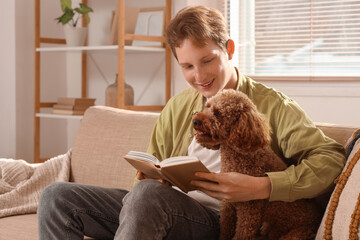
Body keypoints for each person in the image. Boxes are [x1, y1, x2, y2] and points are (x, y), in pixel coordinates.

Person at [37, 5, 346, 240]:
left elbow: (330, 159)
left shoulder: (271, 105)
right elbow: (149, 173)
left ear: (229, 50)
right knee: (57, 196)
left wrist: (262, 187)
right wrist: (151, 178)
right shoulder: (178, 106)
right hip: (164, 207)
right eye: (187, 66)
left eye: (207, 61)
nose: (199, 77)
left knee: (147, 197)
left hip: (220, 220)